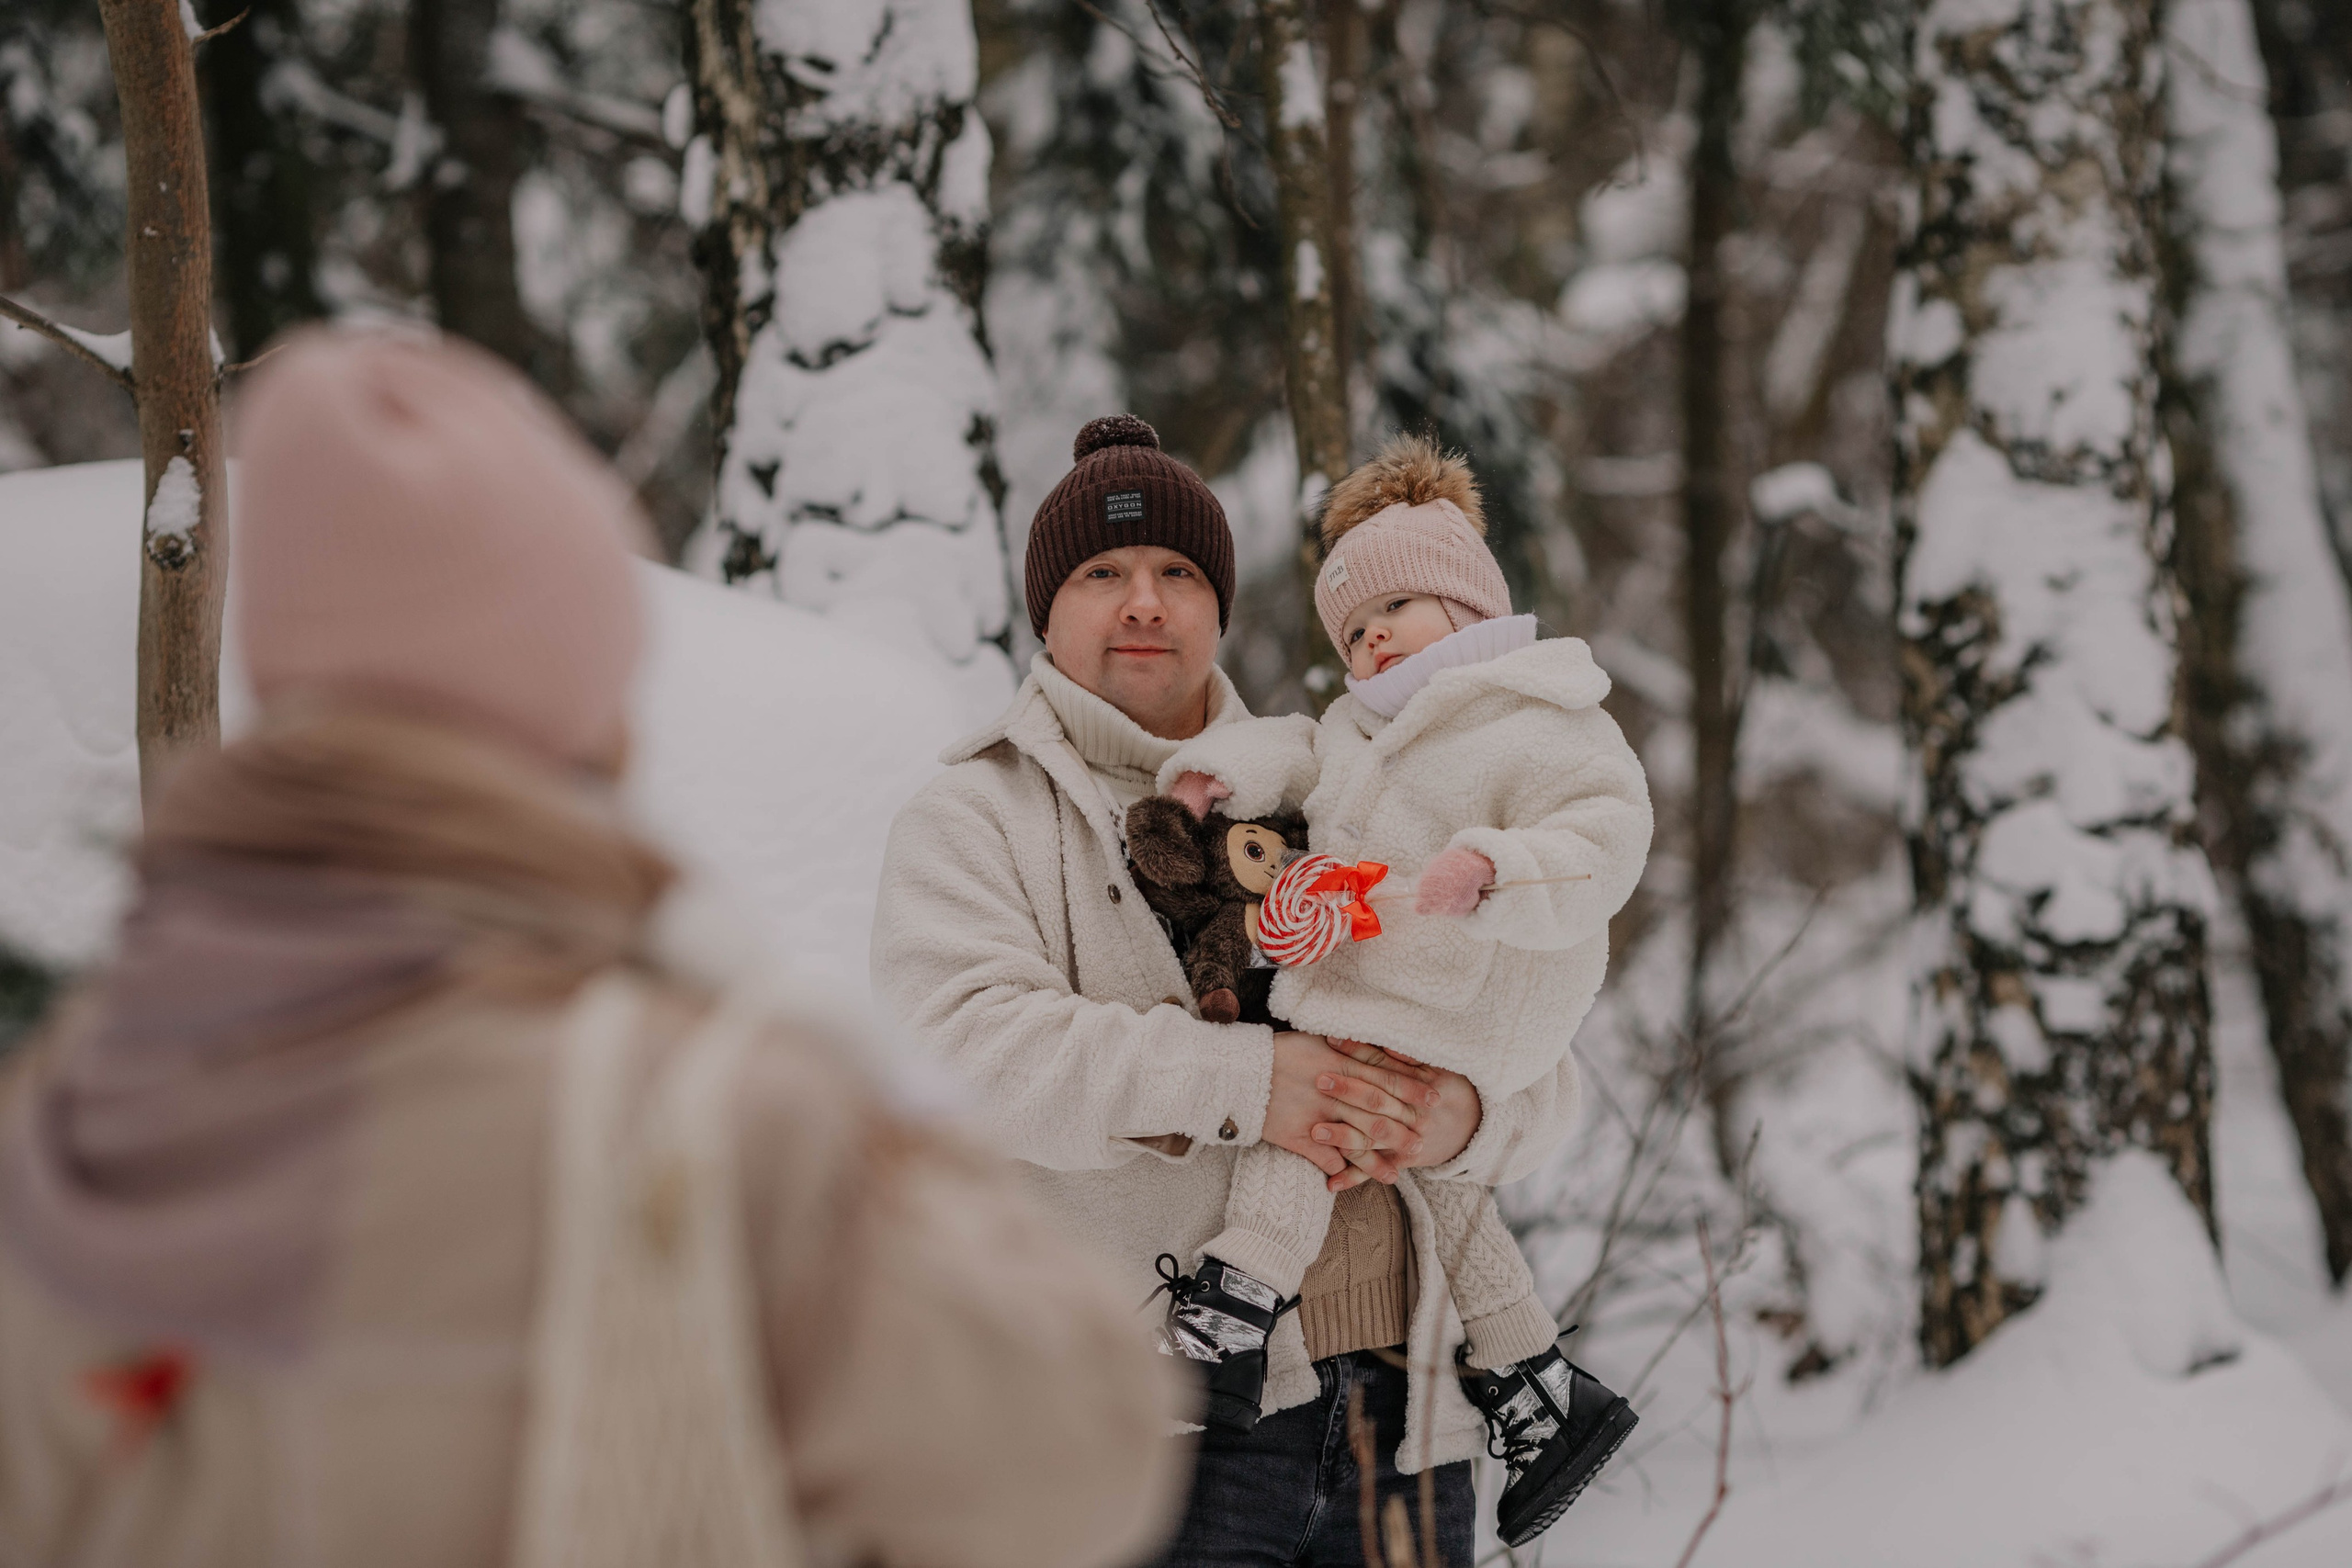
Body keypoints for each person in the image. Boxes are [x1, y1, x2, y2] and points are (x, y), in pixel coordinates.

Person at [0, 331, 1185, 1568]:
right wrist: (844, 1096)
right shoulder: (714, 1121)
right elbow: (1077, 1453)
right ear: (574, 706)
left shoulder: (62, 1116)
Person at [870, 414, 1596, 1567]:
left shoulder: (1341, 782)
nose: (1144, 602)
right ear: (1045, 608)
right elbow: (969, 1055)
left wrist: (1466, 1114)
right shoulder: (977, 815)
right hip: (1155, 1433)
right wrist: (1254, 1083)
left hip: (1408, 1418)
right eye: (1103, 573)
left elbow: (1537, 1053)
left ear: (1219, 603)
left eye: (1176, 572)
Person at [1156, 434, 1652, 1548]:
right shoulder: (1361, 726)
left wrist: (1498, 870)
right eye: (1354, 633)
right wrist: (1223, 777)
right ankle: (1534, 1385)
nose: (1372, 641)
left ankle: (1231, 1309)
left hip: (1476, 983)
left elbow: (1607, 836)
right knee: (1439, 1190)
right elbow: (1296, 752)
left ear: (1472, 605)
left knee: (1307, 1134)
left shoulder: (1542, 712)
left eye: (1395, 611)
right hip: (1396, 994)